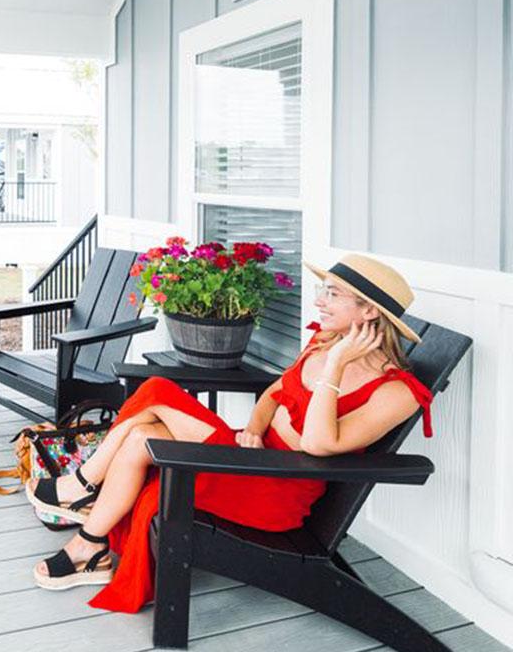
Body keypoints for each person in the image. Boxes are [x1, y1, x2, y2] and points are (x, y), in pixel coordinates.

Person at [26, 254, 433, 610]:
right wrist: (255, 428)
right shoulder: (324, 342)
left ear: (369, 313)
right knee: (150, 407)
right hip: (249, 455)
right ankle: (89, 538)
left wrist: (336, 365)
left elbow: (318, 443)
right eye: (322, 290)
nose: (318, 302)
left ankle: (82, 493)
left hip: (277, 488)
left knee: (147, 423)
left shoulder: (397, 391)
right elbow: (275, 393)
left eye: (332, 294)